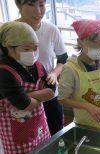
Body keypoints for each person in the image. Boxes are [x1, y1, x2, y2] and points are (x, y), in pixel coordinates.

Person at [0, 21, 55, 154]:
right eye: (26, 49)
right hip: (17, 135)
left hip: (40, 127)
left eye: (35, 48)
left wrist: (27, 96)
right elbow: (24, 104)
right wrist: (41, 95)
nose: (32, 53)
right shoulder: (4, 72)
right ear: (9, 49)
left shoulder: (36, 65)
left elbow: (52, 91)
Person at [15, 0, 68, 135]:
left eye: (42, 5)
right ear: (19, 6)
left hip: (49, 95)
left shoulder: (51, 30)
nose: (38, 11)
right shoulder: (10, 31)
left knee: (56, 136)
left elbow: (63, 59)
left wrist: (55, 74)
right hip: (22, 98)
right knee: (28, 141)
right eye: (31, 4)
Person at [58, 19, 100, 131]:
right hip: (86, 126)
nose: (99, 48)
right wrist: (87, 106)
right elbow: (62, 99)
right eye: (94, 44)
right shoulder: (70, 69)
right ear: (80, 42)